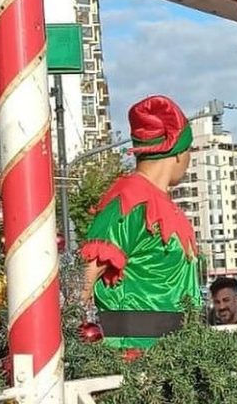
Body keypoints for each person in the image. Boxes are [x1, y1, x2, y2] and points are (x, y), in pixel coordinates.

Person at [80, 95, 199, 349]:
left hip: (174, 358)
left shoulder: (160, 203)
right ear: (179, 153)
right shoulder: (129, 202)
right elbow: (85, 278)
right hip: (136, 365)